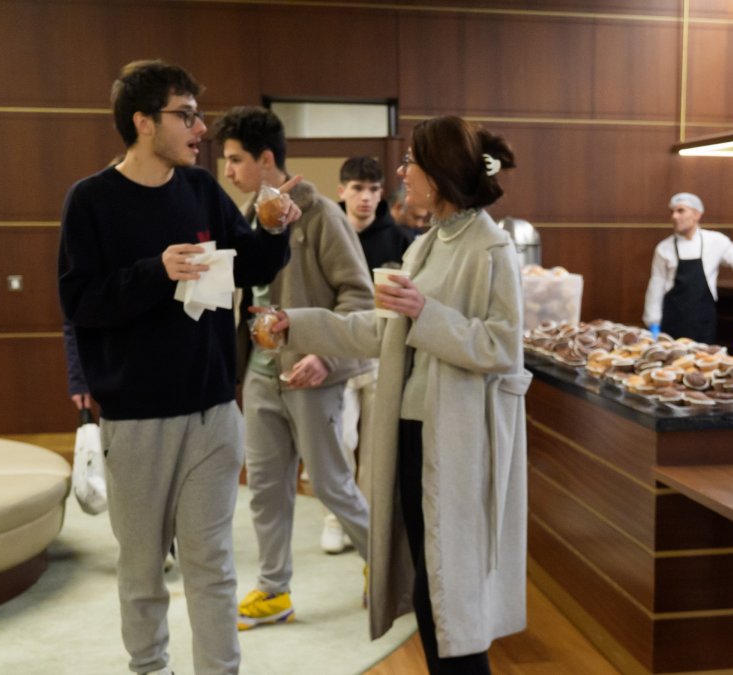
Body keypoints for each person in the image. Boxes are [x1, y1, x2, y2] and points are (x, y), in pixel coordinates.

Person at [258, 115, 530, 674]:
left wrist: (426, 313)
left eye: (411, 162)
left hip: (456, 438)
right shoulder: (427, 244)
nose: (402, 173)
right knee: (430, 584)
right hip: (414, 430)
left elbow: (504, 346)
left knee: (450, 592)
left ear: (440, 172)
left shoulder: (490, 247)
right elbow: (380, 332)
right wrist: (296, 324)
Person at [57, 60, 299, 675]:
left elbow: (250, 266)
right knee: (142, 571)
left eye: (198, 115)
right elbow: (80, 302)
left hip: (215, 411)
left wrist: (272, 230)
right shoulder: (91, 200)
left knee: (212, 564)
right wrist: (156, 272)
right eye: (185, 115)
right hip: (137, 421)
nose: (201, 129)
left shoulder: (200, 190)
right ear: (143, 122)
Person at [212, 106, 374, 630]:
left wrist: (325, 355)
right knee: (264, 487)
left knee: (330, 484)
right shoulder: (242, 215)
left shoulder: (322, 215)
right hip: (260, 375)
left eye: (236, 159)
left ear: (266, 159)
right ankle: (274, 589)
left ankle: (384, 564)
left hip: (313, 375)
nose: (228, 171)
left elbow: (359, 297)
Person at [325, 156, 419, 554]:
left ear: (382, 194)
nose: (365, 197)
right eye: (358, 188)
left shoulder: (400, 240)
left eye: (373, 189)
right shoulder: (328, 233)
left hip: (382, 355)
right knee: (340, 439)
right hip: (337, 352)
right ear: (342, 191)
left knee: (378, 448)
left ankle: (369, 520)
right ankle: (337, 518)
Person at [642, 192, 733, 344]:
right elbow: (656, 285)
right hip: (673, 323)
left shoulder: (716, 241)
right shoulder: (663, 248)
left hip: (703, 322)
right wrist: (653, 322)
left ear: (697, 214)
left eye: (680, 211)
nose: (674, 216)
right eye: (672, 212)